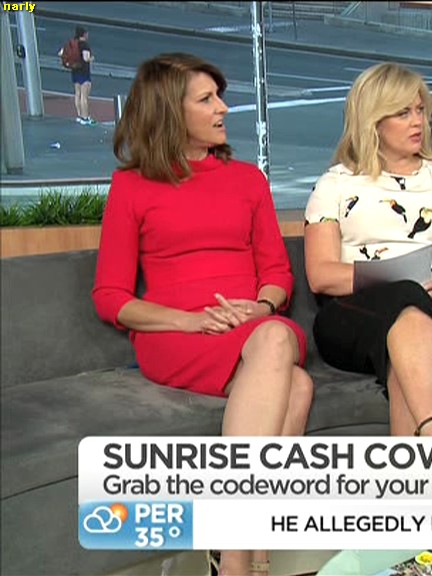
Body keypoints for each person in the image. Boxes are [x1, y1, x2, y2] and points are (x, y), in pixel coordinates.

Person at [92, 53, 313, 576]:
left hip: (251, 327)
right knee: (289, 367)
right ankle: (243, 555)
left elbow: (277, 274)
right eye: (207, 99)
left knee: (289, 366)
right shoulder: (132, 186)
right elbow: (110, 296)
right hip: (176, 335)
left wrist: (260, 306)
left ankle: (235, 554)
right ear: (172, 110)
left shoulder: (247, 179)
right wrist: (187, 320)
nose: (223, 109)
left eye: (220, 97)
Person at [304, 62, 432, 438]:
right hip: (354, 315)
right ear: (373, 121)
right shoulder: (335, 184)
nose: (418, 121)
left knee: (406, 339)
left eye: (420, 110)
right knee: (406, 293)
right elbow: (321, 275)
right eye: (403, 113)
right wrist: (395, 278)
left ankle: (428, 443)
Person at [59, 25, 96, 125]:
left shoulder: (72, 43)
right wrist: (92, 58)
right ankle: (85, 117)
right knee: (84, 96)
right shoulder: (84, 45)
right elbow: (86, 58)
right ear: (84, 34)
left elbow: (61, 53)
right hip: (84, 71)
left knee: (77, 94)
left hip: (74, 70)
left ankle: (79, 115)